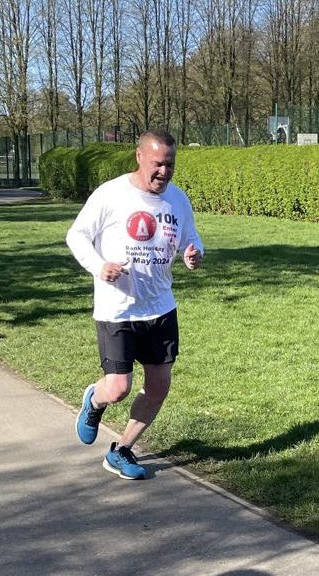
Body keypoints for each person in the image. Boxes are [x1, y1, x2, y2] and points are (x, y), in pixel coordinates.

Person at [66, 130, 204, 480]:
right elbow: (76, 235)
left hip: (160, 306)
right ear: (139, 157)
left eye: (170, 165)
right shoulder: (111, 194)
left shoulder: (177, 199)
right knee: (119, 388)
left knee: (159, 384)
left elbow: (191, 237)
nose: (164, 172)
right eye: (158, 164)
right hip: (118, 308)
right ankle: (94, 401)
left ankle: (122, 450)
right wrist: (100, 266)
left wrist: (193, 253)